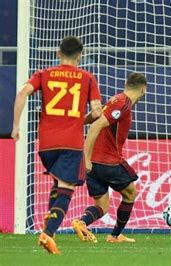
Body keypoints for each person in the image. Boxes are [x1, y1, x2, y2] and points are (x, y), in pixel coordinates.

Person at [11, 36, 103, 255]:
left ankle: (50, 219)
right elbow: (98, 112)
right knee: (67, 189)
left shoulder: (44, 74)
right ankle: (48, 234)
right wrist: (83, 120)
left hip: (45, 144)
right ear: (80, 56)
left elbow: (23, 92)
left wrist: (15, 126)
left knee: (59, 184)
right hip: (70, 143)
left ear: (58, 53)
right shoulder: (87, 78)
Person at [71, 73, 147, 243]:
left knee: (102, 207)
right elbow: (97, 125)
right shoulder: (123, 103)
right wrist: (87, 158)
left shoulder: (115, 99)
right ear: (143, 89)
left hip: (96, 165)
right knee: (130, 194)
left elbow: (95, 116)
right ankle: (114, 236)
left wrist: (78, 122)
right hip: (108, 160)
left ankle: (82, 222)